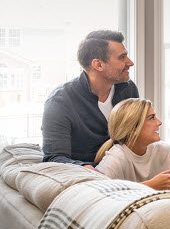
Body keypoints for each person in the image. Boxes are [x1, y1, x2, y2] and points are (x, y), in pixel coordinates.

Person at [41, 30, 138, 166]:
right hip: (92, 179)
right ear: (98, 64)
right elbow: (54, 158)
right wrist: (88, 169)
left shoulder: (128, 88)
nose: (130, 62)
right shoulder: (60, 101)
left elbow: (138, 137)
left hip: (128, 170)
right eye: (122, 57)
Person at [94, 98, 170, 201]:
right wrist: (149, 186)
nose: (159, 122)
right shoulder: (115, 159)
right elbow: (99, 199)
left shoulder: (166, 150)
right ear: (133, 128)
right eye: (152, 118)